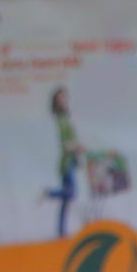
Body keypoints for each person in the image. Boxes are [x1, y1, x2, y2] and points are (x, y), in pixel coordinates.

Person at [46, 87, 83, 238]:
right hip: (67, 162)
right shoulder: (60, 121)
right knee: (71, 192)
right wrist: (77, 146)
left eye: (64, 98)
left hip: (72, 161)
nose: (63, 101)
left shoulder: (66, 118)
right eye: (59, 99)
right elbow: (66, 144)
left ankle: (61, 230)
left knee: (66, 200)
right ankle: (50, 192)